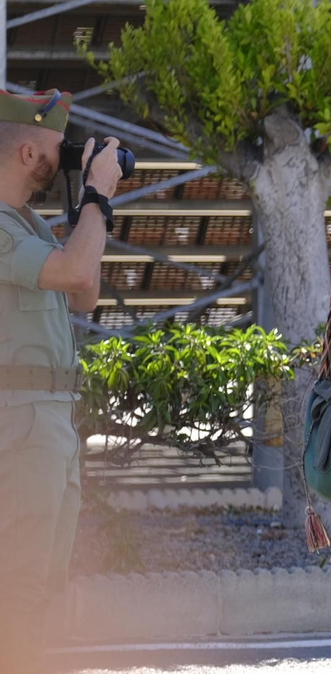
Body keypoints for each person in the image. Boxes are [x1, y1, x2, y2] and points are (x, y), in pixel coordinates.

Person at [0, 90, 120, 673]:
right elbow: (76, 273)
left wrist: (89, 207)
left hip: (49, 418)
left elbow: (85, 291)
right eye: (58, 146)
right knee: (19, 581)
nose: (67, 154)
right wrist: (97, 194)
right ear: (27, 152)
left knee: (45, 581)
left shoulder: (29, 224)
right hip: (20, 419)